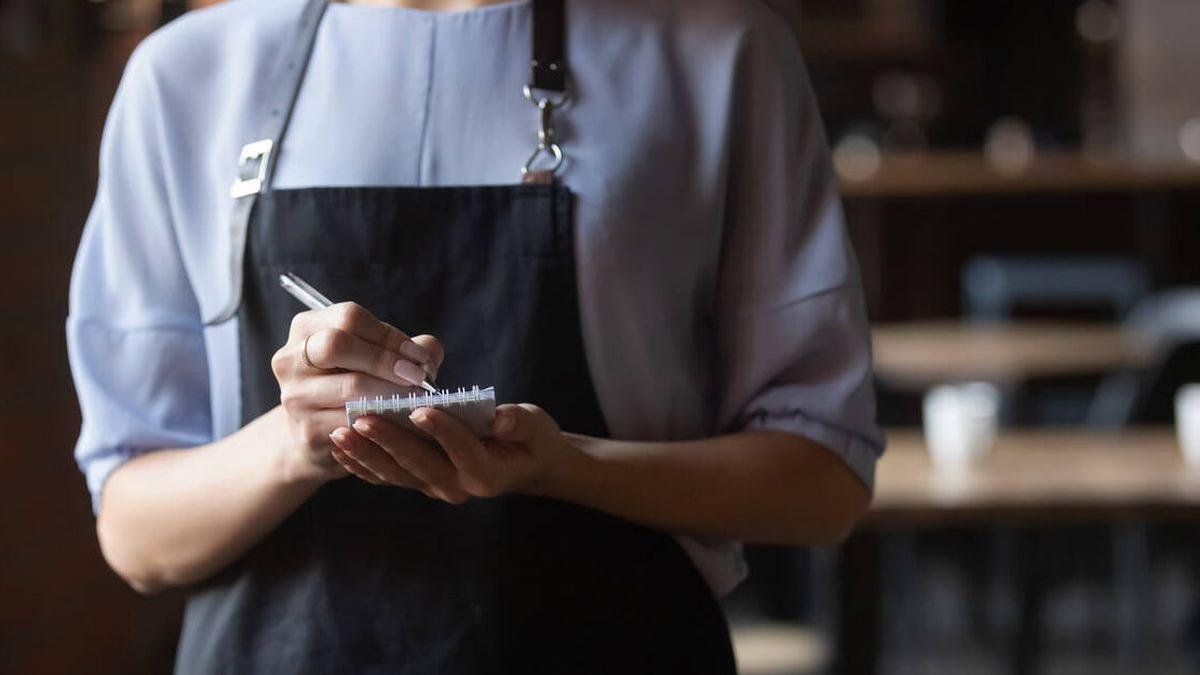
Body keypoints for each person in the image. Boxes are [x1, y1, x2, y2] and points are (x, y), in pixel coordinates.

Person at [67, 0, 884, 671]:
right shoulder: (188, 76)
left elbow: (822, 483)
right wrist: (294, 443)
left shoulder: (719, 53)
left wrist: (569, 464)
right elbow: (136, 534)